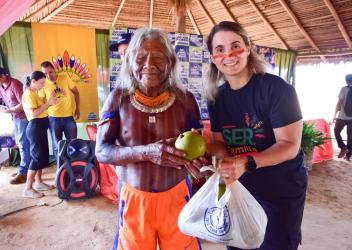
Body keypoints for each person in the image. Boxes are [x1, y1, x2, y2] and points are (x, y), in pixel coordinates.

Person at [95, 27, 205, 250]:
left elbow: (198, 148)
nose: (149, 65)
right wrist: (145, 152)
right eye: (141, 57)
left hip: (177, 197)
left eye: (158, 57)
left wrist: (200, 162)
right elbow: (101, 151)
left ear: (171, 63)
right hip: (134, 200)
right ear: (129, 62)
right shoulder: (118, 98)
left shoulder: (186, 101)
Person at [205, 21, 308, 250]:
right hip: (240, 189)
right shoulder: (216, 98)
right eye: (220, 49)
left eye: (235, 45)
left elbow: (289, 145)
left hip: (280, 189)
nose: (228, 54)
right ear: (213, 57)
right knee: (238, 245)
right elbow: (221, 143)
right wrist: (211, 152)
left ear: (248, 49)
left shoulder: (277, 90)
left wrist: (246, 161)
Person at [22, 71, 57, 198]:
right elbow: (34, 113)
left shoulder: (34, 93)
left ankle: (38, 182)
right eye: (41, 83)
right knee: (36, 158)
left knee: (41, 157)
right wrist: (48, 103)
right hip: (35, 127)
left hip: (40, 127)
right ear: (33, 82)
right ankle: (27, 188)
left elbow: (42, 106)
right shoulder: (29, 94)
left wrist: (50, 99)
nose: (43, 85)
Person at [39, 61, 80, 161]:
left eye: (50, 72)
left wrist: (78, 109)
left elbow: (77, 93)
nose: (49, 75)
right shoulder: (43, 84)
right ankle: (60, 169)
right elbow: (40, 102)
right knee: (57, 146)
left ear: (54, 69)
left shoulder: (65, 78)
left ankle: (73, 167)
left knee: (73, 144)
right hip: (53, 119)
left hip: (68, 117)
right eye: (45, 74)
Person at [0, 67, 30, 184]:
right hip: (16, 118)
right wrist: (5, 108)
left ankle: (24, 173)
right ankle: (24, 169)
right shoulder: (2, 87)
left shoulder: (15, 84)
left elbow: (23, 105)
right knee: (20, 144)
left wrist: (9, 111)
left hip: (23, 118)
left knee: (23, 145)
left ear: (3, 76)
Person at [332, 73, 352, 161]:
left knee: (336, 131)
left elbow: (339, 103)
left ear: (346, 80)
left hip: (343, 116)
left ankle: (343, 147)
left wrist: (334, 115)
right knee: (350, 135)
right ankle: (348, 155)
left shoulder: (344, 89)